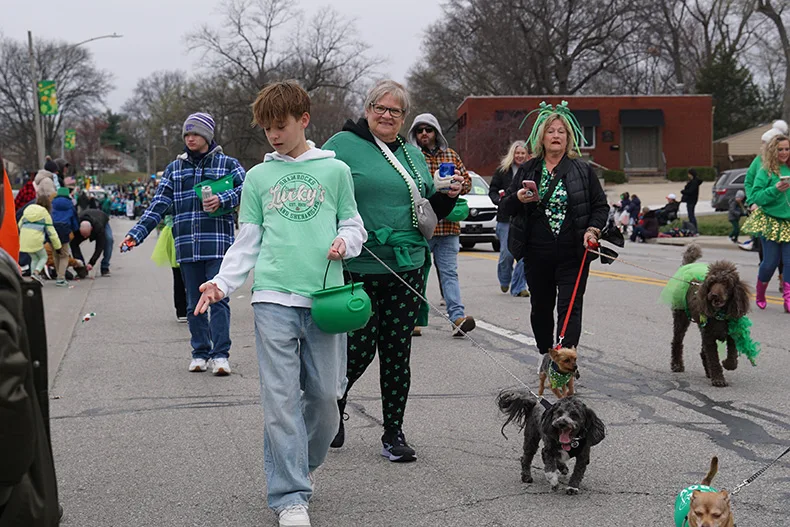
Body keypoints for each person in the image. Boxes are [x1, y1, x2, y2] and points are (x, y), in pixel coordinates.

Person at [195, 81, 367, 527]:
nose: (273, 135)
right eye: (267, 128)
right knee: (280, 400)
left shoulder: (336, 171)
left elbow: (354, 225)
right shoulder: (257, 178)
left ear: (303, 120)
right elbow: (247, 242)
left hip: (325, 300)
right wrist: (220, 283)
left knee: (328, 398)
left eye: (281, 125)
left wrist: (344, 241)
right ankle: (290, 495)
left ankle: (299, 465)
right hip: (272, 298)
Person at [323, 80, 462, 461]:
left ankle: (393, 433)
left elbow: (426, 212)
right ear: (367, 109)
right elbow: (321, 193)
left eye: (395, 111)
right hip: (361, 265)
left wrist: (447, 197)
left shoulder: (411, 153)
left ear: (403, 117)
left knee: (398, 352)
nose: (387, 116)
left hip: (408, 266)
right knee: (360, 349)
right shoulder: (340, 145)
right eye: (379, 108)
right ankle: (331, 408)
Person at [122, 112, 246, 375]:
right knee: (193, 303)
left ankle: (221, 355)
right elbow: (159, 204)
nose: (190, 138)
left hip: (218, 244)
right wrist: (137, 233)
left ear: (208, 136)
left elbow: (249, 190)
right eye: (187, 134)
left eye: (196, 133)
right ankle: (200, 352)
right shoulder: (175, 169)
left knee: (219, 300)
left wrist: (223, 199)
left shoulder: (228, 164)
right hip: (187, 246)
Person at [501, 101, 608, 367]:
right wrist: (518, 197)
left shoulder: (582, 170)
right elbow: (505, 208)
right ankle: (545, 353)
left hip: (574, 251)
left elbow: (600, 206)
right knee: (541, 308)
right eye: (551, 131)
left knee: (570, 308)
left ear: (569, 137)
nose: (556, 135)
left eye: (561, 131)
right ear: (542, 137)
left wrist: (592, 230)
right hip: (537, 252)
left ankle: (565, 360)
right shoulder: (528, 169)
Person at [0, 173, 60, 527]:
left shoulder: (26, 214)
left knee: (32, 262)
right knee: (37, 262)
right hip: (10, 483)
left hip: (22, 244)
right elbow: (8, 391)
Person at [407, 112, 475, 336]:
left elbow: (466, 184)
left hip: (448, 228)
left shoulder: (451, 155)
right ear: (415, 134)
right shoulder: (410, 156)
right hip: (423, 227)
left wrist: (458, 182)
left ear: (436, 132)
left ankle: (457, 318)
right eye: (420, 130)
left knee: (449, 273)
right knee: (419, 273)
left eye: (429, 129)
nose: (424, 133)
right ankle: (415, 319)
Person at [742, 134, 790, 312]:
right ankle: (760, 292)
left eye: (787, 149)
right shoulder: (766, 171)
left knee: (789, 261)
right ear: (772, 150)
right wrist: (775, 189)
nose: (784, 152)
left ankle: (788, 298)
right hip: (770, 220)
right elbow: (755, 196)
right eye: (780, 149)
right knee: (770, 262)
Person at [488, 141, 530, 297]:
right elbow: (492, 190)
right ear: (512, 154)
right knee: (507, 254)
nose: (520, 156)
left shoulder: (531, 170)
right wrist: (500, 201)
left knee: (524, 254)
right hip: (506, 218)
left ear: (527, 155)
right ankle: (505, 279)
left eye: (522, 153)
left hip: (524, 218)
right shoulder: (502, 171)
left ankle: (519, 287)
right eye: (517, 153)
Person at [18, 194, 62, 285]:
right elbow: (51, 232)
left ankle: (34, 277)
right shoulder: (45, 213)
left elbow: (19, 224)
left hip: (24, 240)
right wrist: (58, 246)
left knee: (34, 258)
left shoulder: (28, 209)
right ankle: (36, 273)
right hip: (36, 240)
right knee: (43, 257)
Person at [150, 215, 188, 322]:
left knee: (187, 274)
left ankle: (186, 309)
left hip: (183, 231)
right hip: (174, 232)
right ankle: (182, 309)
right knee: (179, 274)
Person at [70, 209, 113, 277]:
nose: (85, 237)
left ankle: (105, 267)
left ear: (91, 229)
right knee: (74, 243)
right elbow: (73, 244)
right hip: (86, 216)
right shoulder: (76, 226)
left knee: (109, 240)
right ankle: (81, 268)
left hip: (102, 217)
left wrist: (91, 263)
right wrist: (80, 264)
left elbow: (99, 247)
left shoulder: (99, 227)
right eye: (83, 235)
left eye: (86, 235)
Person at [50, 187, 79, 286]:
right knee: (64, 255)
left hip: (52, 229)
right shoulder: (70, 204)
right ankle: (61, 278)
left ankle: (59, 275)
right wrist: (75, 229)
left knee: (55, 254)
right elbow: (74, 219)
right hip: (64, 229)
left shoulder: (52, 203)